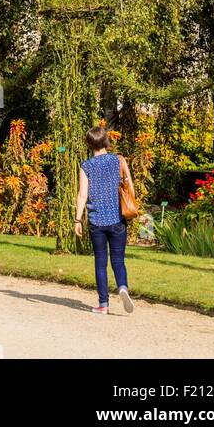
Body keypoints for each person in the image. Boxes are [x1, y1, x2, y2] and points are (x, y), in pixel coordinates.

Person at [75, 124, 135, 315]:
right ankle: (123, 287)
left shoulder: (86, 166)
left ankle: (103, 304)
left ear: (89, 144)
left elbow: (82, 195)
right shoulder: (118, 160)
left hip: (97, 221)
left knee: (101, 261)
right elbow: (129, 186)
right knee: (118, 260)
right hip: (117, 218)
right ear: (106, 141)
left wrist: (78, 220)